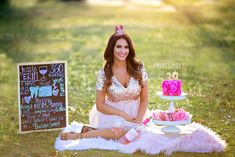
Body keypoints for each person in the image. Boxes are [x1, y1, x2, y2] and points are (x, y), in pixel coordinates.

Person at [60, 25, 149, 141]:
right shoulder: (104, 73)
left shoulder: (139, 68)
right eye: (119, 47)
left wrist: (139, 117)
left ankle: (95, 132)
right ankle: (79, 136)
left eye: (126, 47)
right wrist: (122, 114)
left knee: (142, 133)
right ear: (112, 48)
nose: (123, 51)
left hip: (137, 111)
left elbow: (144, 98)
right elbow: (100, 105)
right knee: (121, 131)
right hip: (113, 113)